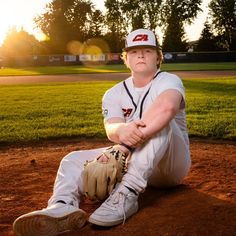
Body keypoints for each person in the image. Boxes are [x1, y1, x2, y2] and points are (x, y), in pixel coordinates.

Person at [13, 28, 191, 235]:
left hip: (171, 165)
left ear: (158, 58)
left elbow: (167, 108)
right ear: (126, 58)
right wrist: (122, 130)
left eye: (148, 51)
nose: (141, 55)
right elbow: (111, 128)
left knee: (163, 123)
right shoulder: (113, 93)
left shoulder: (169, 80)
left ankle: (127, 193)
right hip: (138, 160)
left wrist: (124, 145)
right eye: (134, 51)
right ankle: (62, 205)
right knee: (72, 160)